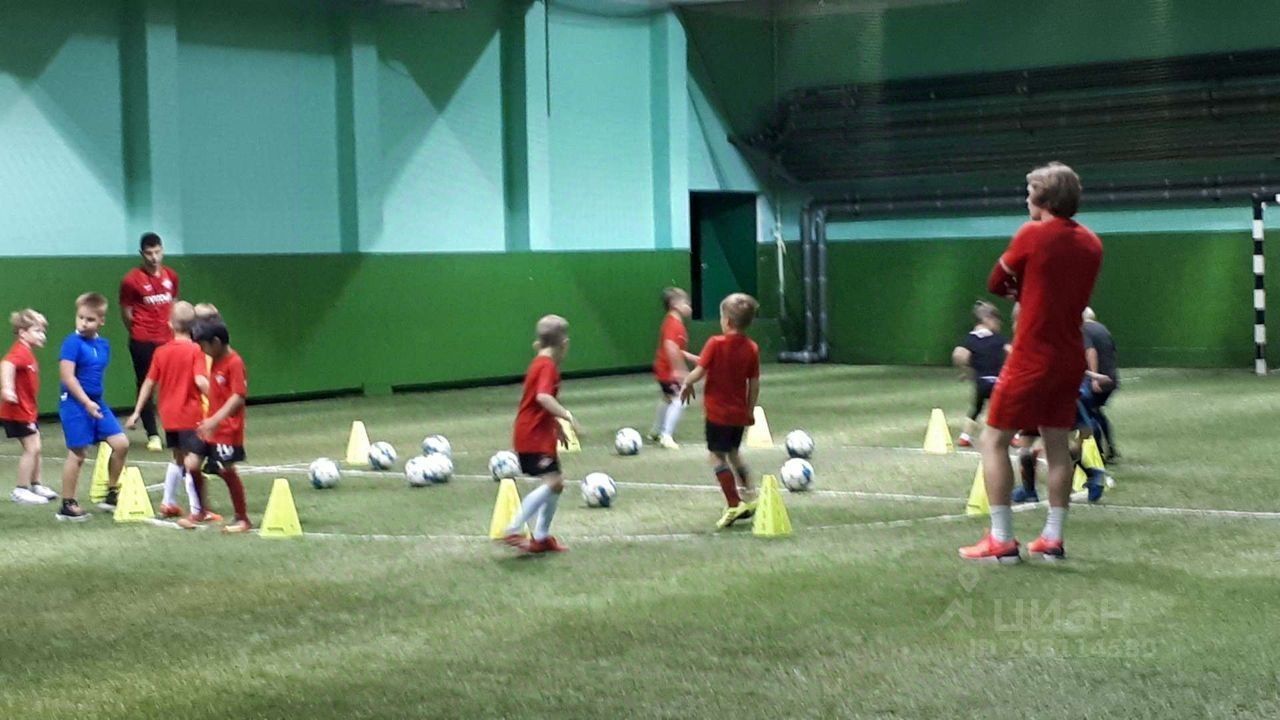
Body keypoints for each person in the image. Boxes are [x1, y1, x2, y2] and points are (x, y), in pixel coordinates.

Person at [960, 162, 1102, 562]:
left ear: (1043, 198)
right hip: (1068, 355)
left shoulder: (1032, 234)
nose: (1026, 200)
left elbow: (995, 282)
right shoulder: (1092, 243)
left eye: (1029, 193)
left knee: (993, 440)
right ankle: (1052, 538)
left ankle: (1002, 537)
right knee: (1056, 445)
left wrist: (1020, 290)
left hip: (1031, 354)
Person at [126, 302, 214, 524]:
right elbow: (200, 380)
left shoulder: (161, 352)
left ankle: (168, 502)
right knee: (193, 462)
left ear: (169, 324)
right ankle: (198, 509)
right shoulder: (196, 350)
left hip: (168, 415)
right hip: (189, 414)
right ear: (194, 326)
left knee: (177, 457)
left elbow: (148, 383)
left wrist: (137, 412)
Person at [680, 293, 761, 530]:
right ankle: (750, 495)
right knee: (734, 452)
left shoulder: (715, 343)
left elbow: (699, 371)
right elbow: (754, 383)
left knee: (716, 456)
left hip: (717, 414)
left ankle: (734, 503)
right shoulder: (752, 348)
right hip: (738, 414)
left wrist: (687, 383)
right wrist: (750, 410)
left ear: (726, 320)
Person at [499, 315, 578, 555]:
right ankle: (514, 528)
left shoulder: (540, 363)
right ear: (564, 344)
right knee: (553, 482)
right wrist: (567, 416)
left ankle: (542, 538)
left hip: (538, 433)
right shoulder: (546, 366)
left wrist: (555, 426)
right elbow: (543, 397)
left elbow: (538, 402)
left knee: (556, 484)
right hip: (532, 435)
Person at [56, 293, 130, 521]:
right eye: (80, 318)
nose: (83, 323)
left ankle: (111, 492)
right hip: (74, 403)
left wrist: (93, 403)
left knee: (121, 444)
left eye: (90, 319)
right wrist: (86, 403)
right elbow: (68, 377)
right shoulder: (72, 343)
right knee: (78, 453)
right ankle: (67, 504)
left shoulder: (103, 345)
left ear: (101, 321)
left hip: (97, 403)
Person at [119, 232, 179, 452]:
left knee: (174, 385)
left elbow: (174, 303)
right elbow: (126, 312)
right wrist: (138, 332)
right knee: (146, 385)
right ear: (141, 254)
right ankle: (152, 434)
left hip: (168, 340)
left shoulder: (171, 276)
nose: (154, 257)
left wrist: (173, 329)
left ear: (162, 251)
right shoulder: (131, 280)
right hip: (142, 341)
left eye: (157, 252)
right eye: (149, 253)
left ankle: (175, 432)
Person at [193, 320, 252, 533]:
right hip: (211, 427)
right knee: (192, 464)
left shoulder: (234, 362)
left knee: (227, 469)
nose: (202, 350)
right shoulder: (215, 360)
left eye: (204, 345)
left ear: (216, 342)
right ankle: (201, 511)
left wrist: (215, 419)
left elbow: (238, 397)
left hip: (227, 428)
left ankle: (242, 518)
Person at [1, 310, 57, 505]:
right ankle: (21, 489)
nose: (42, 335)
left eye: (43, 331)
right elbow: (6, 364)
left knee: (36, 447)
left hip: (28, 411)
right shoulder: (20, 352)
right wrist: (7, 388)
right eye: (37, 331)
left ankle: (36, 485)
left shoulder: (27, 353)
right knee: (32, 448)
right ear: (23, 333)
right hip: (17, 412)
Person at [951, 301, 1009, 448]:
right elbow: (1012, 352)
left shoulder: (970, 339)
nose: (999, 324)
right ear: (988, 319)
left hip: (981, 381)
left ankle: (965, 437)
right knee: (1006, 409)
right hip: (998, 381)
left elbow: (958, 354)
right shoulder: (998, 339)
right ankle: (1013, 436)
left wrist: (965, 370)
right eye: (997, 320)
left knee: (976, 409)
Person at [649, 287, 698, 449]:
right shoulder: (674, 324)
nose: (689, 306)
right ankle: (666, 435)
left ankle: (655, 431)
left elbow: (676, 348)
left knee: (667, 398)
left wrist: (693, 358)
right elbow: (670, 347)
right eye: (686, 303)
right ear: (674, 304)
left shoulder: (673, 322)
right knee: (680, 400)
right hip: (667, 370)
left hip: (663, 368)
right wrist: (680, 370)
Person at [1081, 307, 1119, 461]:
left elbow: (1090, 352)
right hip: (1111, 378)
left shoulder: (1084, 329)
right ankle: (1110, 447)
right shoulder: (1103, 329)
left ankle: (1099, 453)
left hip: (1098, 379)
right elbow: (1113, 352)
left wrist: (1094, 378)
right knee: (1096, 411)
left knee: (1089, 414)